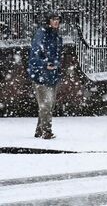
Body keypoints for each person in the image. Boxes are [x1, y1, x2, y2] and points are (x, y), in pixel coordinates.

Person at [28, 11, 63, 139]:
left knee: (49, 105)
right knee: (46, 105)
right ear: (48, 21)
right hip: (40, 76)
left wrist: (56, 66)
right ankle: (46, 131)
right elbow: (33, 56)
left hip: (52, 75)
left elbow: (58, 55)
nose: (56, 22)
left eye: (58, 19)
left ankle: (39, 130)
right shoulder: (41, 34)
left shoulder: (57, 36)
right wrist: (44, 65)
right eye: (53, 19)